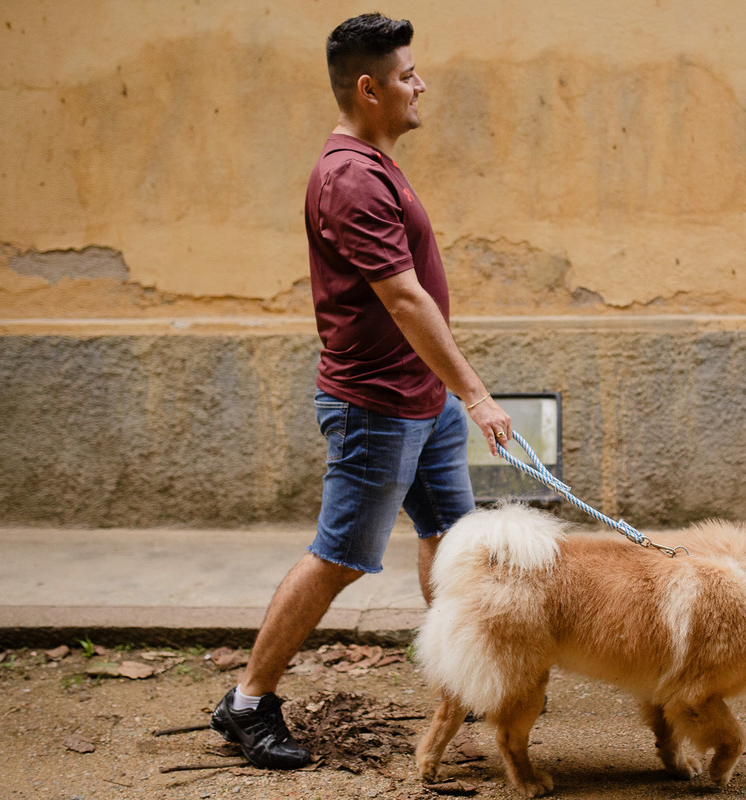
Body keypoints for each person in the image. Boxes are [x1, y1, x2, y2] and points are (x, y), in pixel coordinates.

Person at [210, 13, 513, 768]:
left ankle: (458, 683)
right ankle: (247, 703)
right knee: (340, 556)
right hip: (375, 406)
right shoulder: (349, 177)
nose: (422, 85)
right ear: (370, 88)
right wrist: (475, 395)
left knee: (449, 539)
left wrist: (449, 396)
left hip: (421, 398)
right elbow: (405, 299)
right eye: (409, 75)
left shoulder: (374, 163)